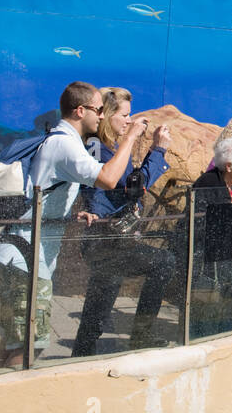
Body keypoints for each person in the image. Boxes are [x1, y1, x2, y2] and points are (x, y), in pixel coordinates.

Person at [0, 82, 147, 369]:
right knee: (28, 344)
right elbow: (109, 178)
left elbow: (43, 190)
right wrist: (131, 138)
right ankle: (10, 405)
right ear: (80, 110)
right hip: (26, 259)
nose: (101, 116)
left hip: (19, 254)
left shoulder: (61, 140)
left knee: (16, 338)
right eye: (98, 110)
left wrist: (67, 216)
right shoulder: (64, 144)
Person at [71, 87, 174, 356]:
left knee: (100, 300)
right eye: (124, 116)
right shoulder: (96, 146)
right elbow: (132, 187)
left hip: (111, 239)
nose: (129, 121)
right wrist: (158, 151)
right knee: (164, 262)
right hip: (105, 238)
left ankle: (83, 352)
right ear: (105, 115)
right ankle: (140, 336)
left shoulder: (108, 147)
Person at [189, 138, 232, 335]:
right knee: (207, 311)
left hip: (228, 259)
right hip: (208, 264)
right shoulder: (209, 184)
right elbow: (199, 224)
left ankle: (228, 330)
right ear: (228, 166)